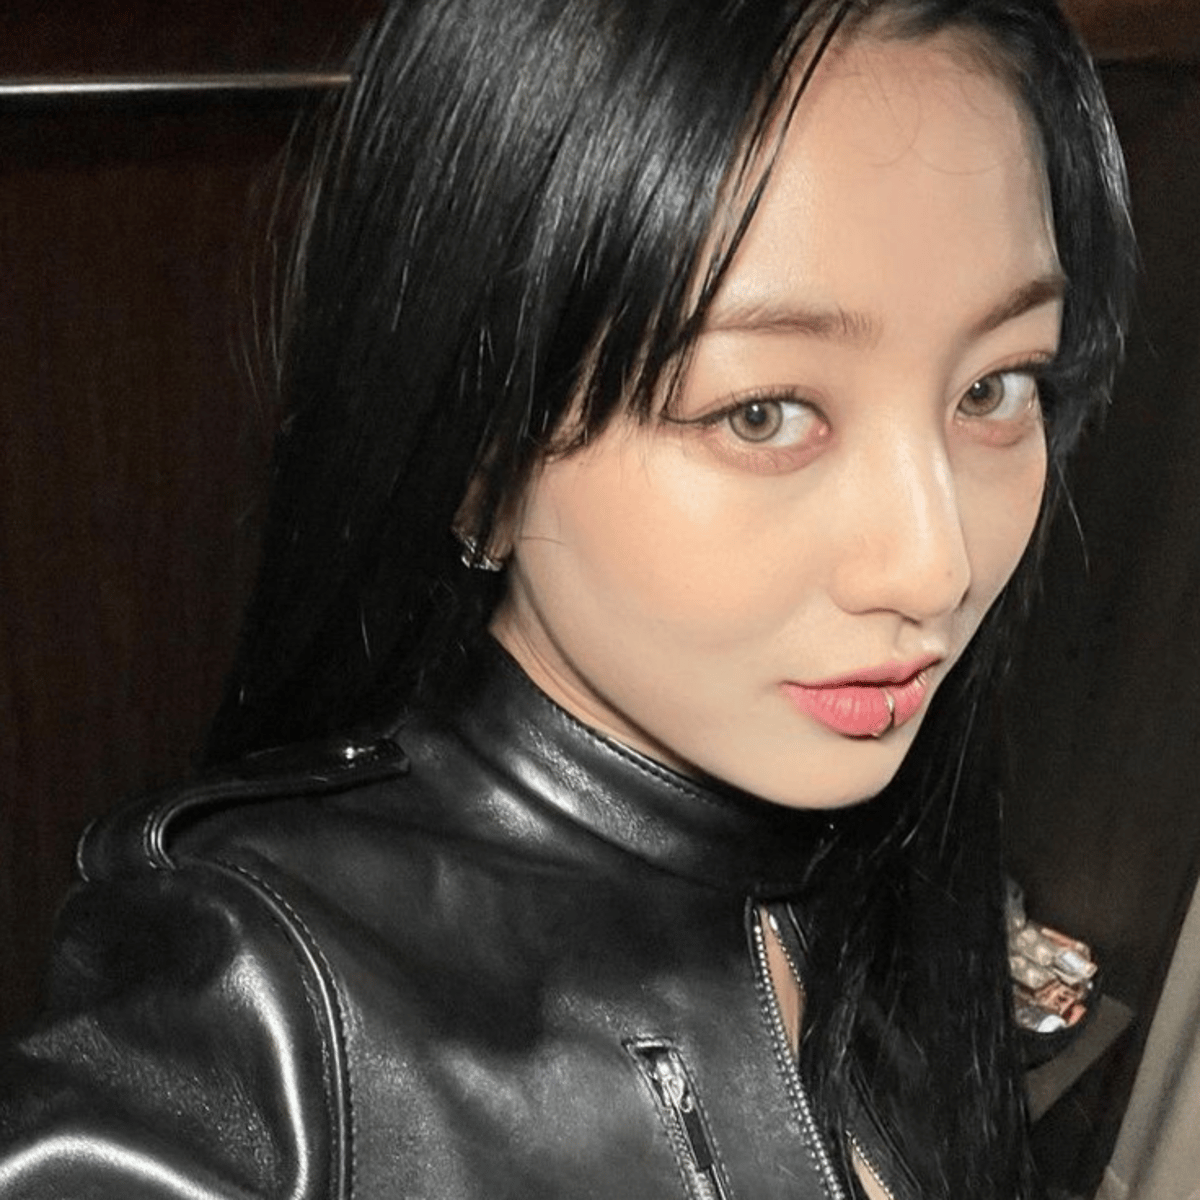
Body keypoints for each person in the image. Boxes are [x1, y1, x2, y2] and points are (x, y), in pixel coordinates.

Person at [0, 0, 1133, 1197]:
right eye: (763, 413)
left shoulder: (890, 849)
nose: (935, 566)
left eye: (996, 387)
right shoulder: (254, 1016)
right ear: (479, 460)